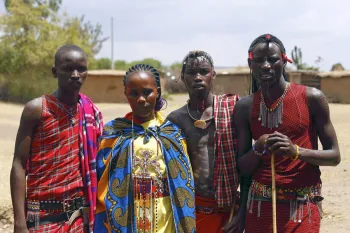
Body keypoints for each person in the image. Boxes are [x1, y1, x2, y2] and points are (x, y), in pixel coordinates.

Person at [235, 34, 341, 233]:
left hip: (302, 206)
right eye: (259, 60)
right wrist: (258, 147)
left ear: (284, 60)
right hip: (259, 206)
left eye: (272, 59)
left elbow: (334, 156)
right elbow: (242, 167)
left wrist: (296, 151)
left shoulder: (312, 98)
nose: (266, 65)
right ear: (250, 64)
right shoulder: (245, 107)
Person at [10, 45, 103, 233]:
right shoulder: (37, 109)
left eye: (81, 69)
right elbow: (19, 164)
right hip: (42, 216)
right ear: (55, 72)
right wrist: (20, 222)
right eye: (68, 69)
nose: (76, 74)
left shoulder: (89, 112)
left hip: (77, 218)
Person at [94, 64, 196, 233]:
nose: (141, 99)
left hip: (166, 216)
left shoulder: (172, 133)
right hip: (127, 216)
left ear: (158, 92)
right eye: (133, 93)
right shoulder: (114, 132)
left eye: (147, 92)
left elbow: (184, 182)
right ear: (126, 94)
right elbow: (102, 180)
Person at [167, 50, 242, 233]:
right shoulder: (176, 120)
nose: (198, 77)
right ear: (183, 77)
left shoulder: (233, 110)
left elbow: (246, 161)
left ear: (213, 74)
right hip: (192, 210)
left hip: (229, 210)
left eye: (204, 71)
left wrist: (243, 213)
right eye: (192, 73)